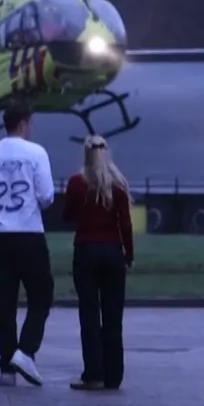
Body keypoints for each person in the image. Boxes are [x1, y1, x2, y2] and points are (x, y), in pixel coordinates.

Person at [0, 105, 55, 386]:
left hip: (2, 236)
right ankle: (26, 350)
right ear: (24, 123)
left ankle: (7, 365)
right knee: (41, 295)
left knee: (5, 300)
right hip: (30, 233)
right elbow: (46, 196)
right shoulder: (36, 153)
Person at [63, 134, 133, 392]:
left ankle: (94, 373)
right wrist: (128, 255)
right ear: (107, 152)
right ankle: (114, 375)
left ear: (85, 154)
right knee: (113, 316)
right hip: (113, 253)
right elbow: (126, 224)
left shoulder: (77, 183)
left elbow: (67, 215)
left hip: (86, 252)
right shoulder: (119, 184)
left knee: (89, 314)